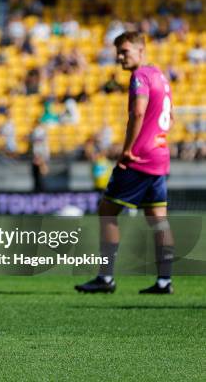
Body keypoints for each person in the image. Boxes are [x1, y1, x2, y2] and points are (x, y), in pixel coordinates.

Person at [75, 32, 175, 294]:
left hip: (139, 157)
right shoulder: (160, 76)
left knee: (107, 211)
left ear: (141, 51)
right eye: (118, 52)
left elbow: (138, 112)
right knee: (158, 219)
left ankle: (105, 278)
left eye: (125, 51)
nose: (120, 56)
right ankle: (165, 281)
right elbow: (171, 117)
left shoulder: (140, 76)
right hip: (159, 155)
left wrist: (127, 150)